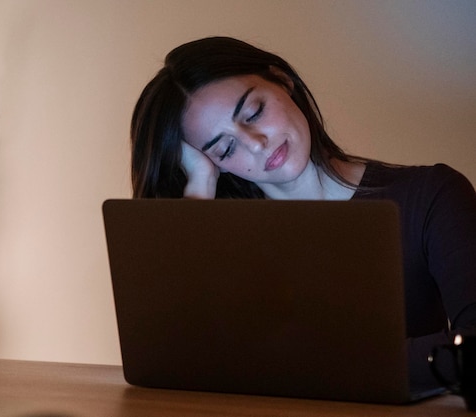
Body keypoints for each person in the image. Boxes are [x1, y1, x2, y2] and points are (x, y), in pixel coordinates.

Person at [130, 36, 476, 387]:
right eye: (225, 148)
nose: (255, 143)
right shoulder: (223, 242)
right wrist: (199, 188)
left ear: (282, 79)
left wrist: (304, 365)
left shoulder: (432, 194)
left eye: (254, 112)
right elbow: (174, 362)